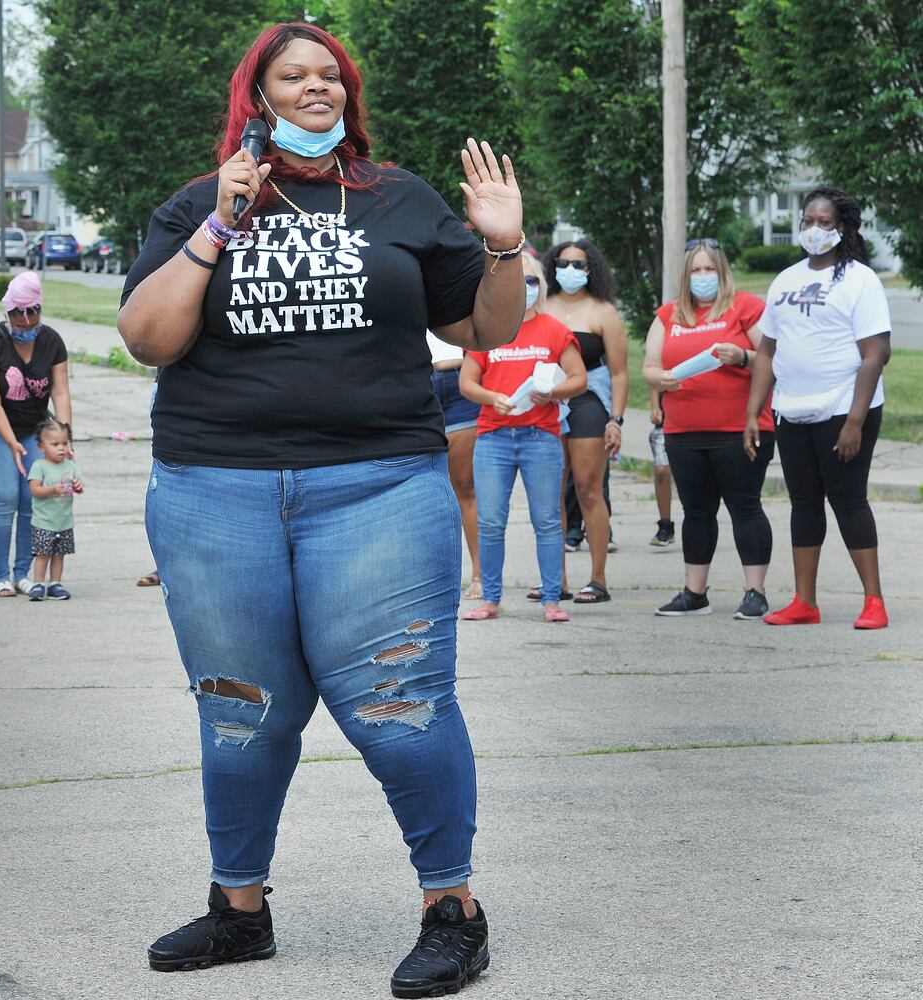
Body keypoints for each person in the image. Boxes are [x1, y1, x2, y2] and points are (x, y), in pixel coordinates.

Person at [118, 21, 528, 995]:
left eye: (329, 76)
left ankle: (450, 910)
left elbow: (486, 328)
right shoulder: (195, 204)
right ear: (255, 97)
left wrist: (502, 241)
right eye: (292, 76)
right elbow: (147, 336)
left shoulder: (397, 200)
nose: (316, 89)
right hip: (216, 491)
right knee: (240, 712)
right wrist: (221, 223)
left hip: (377, 486)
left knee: (399, 704)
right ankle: (238, 910)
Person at [745, 186, 892, 629]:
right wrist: (754, 412)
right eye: (807, 221)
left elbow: (876, 353)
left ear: (842, 228)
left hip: (844, 412)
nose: (812, 229)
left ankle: (874, 602)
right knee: (804, 504)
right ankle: (804, 602)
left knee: (848, 501)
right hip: (794, 412)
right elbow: (767, 352)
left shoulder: (859, 280)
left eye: (823, 223)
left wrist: (854, 420)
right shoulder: (785, 280)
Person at [644, 239, 774, 618]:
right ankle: (694, 593)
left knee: (744, 507)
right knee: (697, 511)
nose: (703, 277)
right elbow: (650, 366)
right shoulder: (669, 315)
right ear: (686, 276)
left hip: (740, 428)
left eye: (710, 269)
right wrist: (662, 379)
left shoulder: (746, 307)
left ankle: (755, 592)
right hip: (684, 430)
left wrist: (743, 356)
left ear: (723, 271)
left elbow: (773, 359)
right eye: (696, 270)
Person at [459, 252, 588, 623]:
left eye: (531, 281)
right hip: (493, 437)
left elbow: (578, 379)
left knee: (547, 520)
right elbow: (468, 382)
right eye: (518, 281)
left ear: (541, 286)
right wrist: (491, 397)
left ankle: (551, 599)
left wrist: (555, 392)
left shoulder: (553, 329)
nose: (525, 288)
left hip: (540, 436)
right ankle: (491, 599)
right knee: (491, 522)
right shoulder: (489, 329)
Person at [0, 270, 73, 597]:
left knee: (33, 497)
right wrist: (11, 443)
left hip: (34, 429)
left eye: (32, 311)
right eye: (17, 313)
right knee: (3, 497)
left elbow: (61, 393)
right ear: (7, 312)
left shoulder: (51, 340)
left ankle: (23, 573)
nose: (25, 320)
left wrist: (63, 440)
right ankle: (0, 576)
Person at [541, 239, 627, 603]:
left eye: (580, 264)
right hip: (543, 403)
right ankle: (554, 580)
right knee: (551, 494)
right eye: (565, 263)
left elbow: (621, 373)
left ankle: (597, 579)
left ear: (592, 270)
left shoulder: (603, 312)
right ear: (553, 266)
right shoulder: (540, 308)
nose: (572, 271)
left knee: (588, 489)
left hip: (588, 402)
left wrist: (616, 420)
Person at [428, 330, 483, 599]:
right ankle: (426, 580)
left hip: (461, 375)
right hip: (420, 378)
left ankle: (480, 575)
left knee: (466, 489)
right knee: (421, 490)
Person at [26, 416, 83, 601]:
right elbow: (35, 490)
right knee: (43, 554)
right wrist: (51, 489)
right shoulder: (39, 466)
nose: (61, 448)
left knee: (59, 554)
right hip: (44, 521)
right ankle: (38, 583)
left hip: (64, 521)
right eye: (55, 444)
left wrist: (78, 487)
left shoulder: (71, 466)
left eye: (65, 443)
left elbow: (78, 486)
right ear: (41, 447)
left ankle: (55, 584)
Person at [648, 389, 676, 547]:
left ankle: (701, 521)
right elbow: (656, 381)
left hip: (698, 420)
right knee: (661, 471)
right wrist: (655, 406)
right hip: (666, 421)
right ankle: (665, 525)